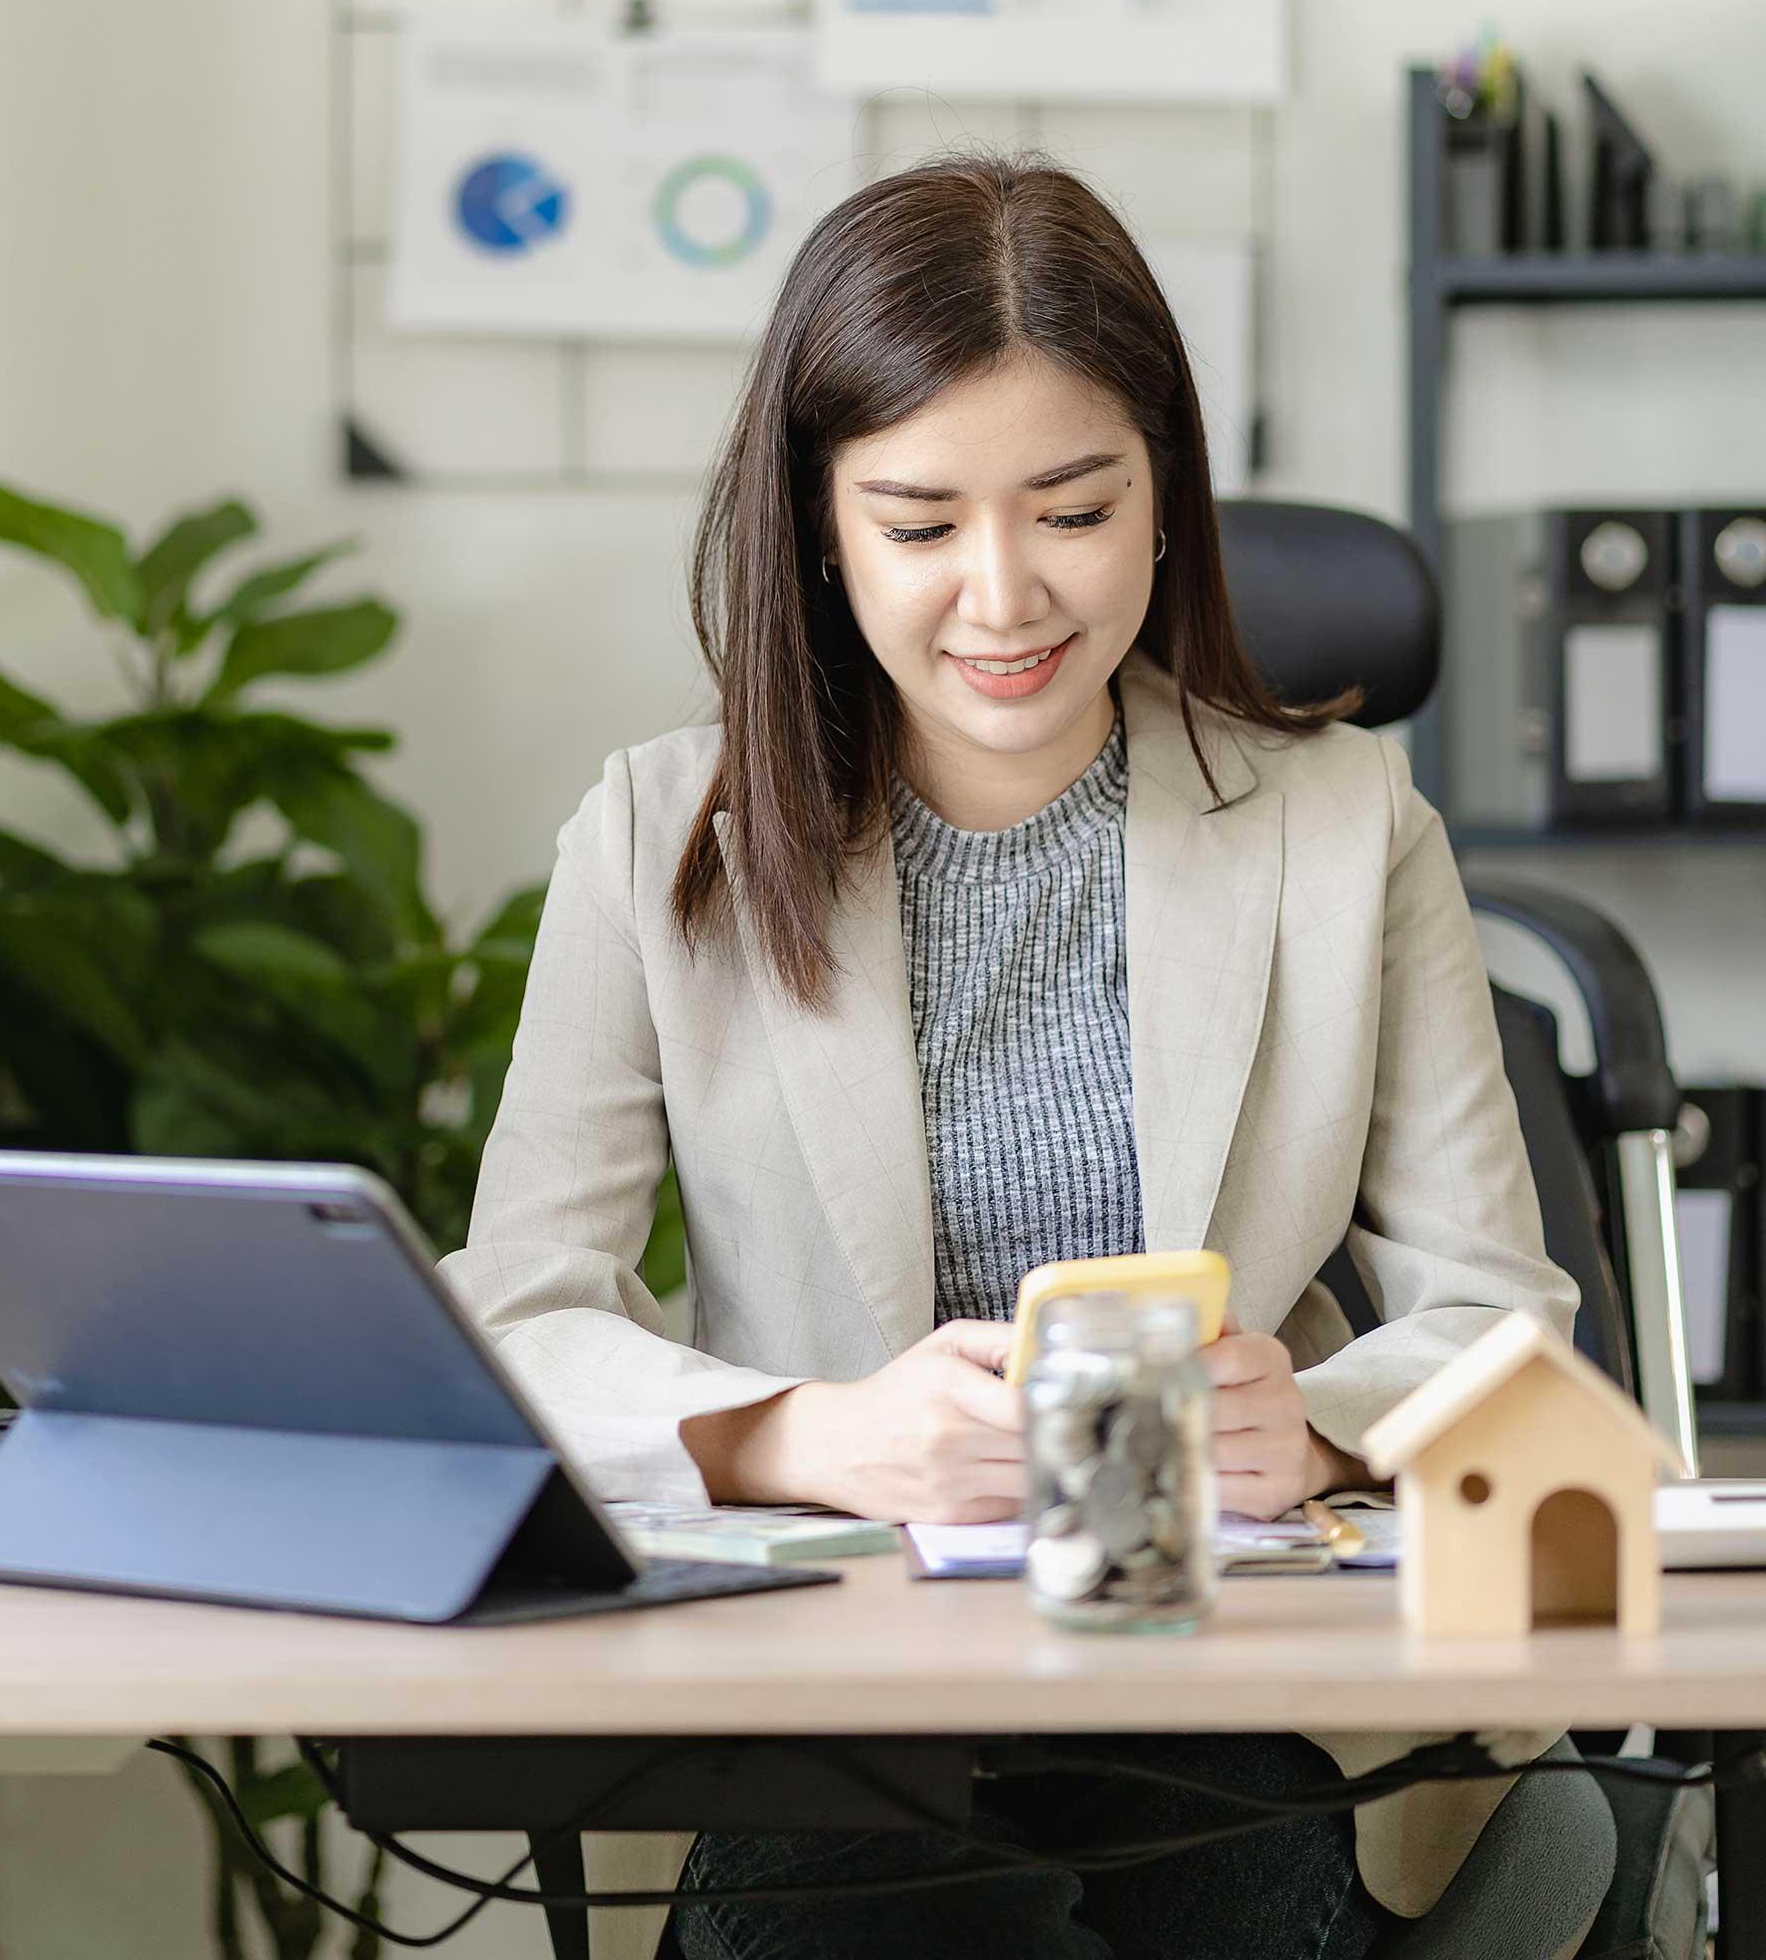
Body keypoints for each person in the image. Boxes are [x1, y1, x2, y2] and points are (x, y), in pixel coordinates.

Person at [438, 155, 1578, 1960]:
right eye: (918, 523)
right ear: (820, 526)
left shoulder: (1349, 824)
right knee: (879, 1904)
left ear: (1162, 497)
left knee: (1222, 1878)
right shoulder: (658, 839)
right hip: (829, 1691)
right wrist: (814, 1435)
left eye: (1074, 509)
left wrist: (1319, 1429)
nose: (1002, 594)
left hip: (1220, 1676)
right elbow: (512, 1319)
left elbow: (1504, 1324)